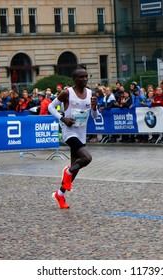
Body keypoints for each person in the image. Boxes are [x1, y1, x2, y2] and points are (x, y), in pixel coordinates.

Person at [48, 68, 99, 209]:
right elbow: (51, 107)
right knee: (87, 158)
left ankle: (60, 194)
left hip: (82, 132)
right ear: (74, 79)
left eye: (86, 77)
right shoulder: (66, 93)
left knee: (76, 169)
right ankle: (67, 171)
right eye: (81, 77)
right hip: (69, 132)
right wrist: (62, 118)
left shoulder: (90, 93)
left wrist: (94, 107)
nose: (84, 79)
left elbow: (95, 116)